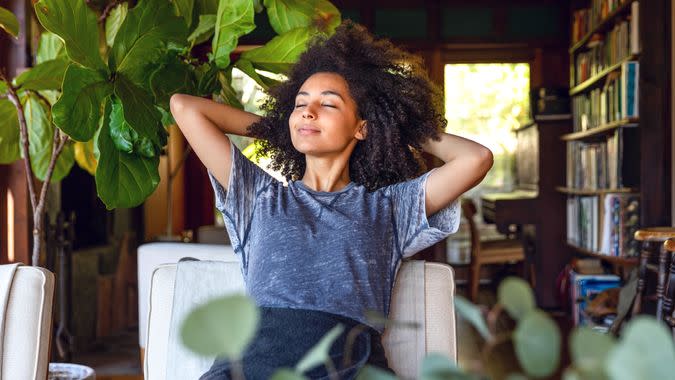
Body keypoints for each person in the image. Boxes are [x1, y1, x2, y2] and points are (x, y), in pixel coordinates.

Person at [170, 21, 493, 380]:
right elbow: (184, 107)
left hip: (347, 368)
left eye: (328, 104)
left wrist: (397, 125)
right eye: (300, 104)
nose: (308, 112)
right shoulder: (259, 196)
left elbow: (475, 159)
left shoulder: (389, 208)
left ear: (362, 127)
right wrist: (279, 129)